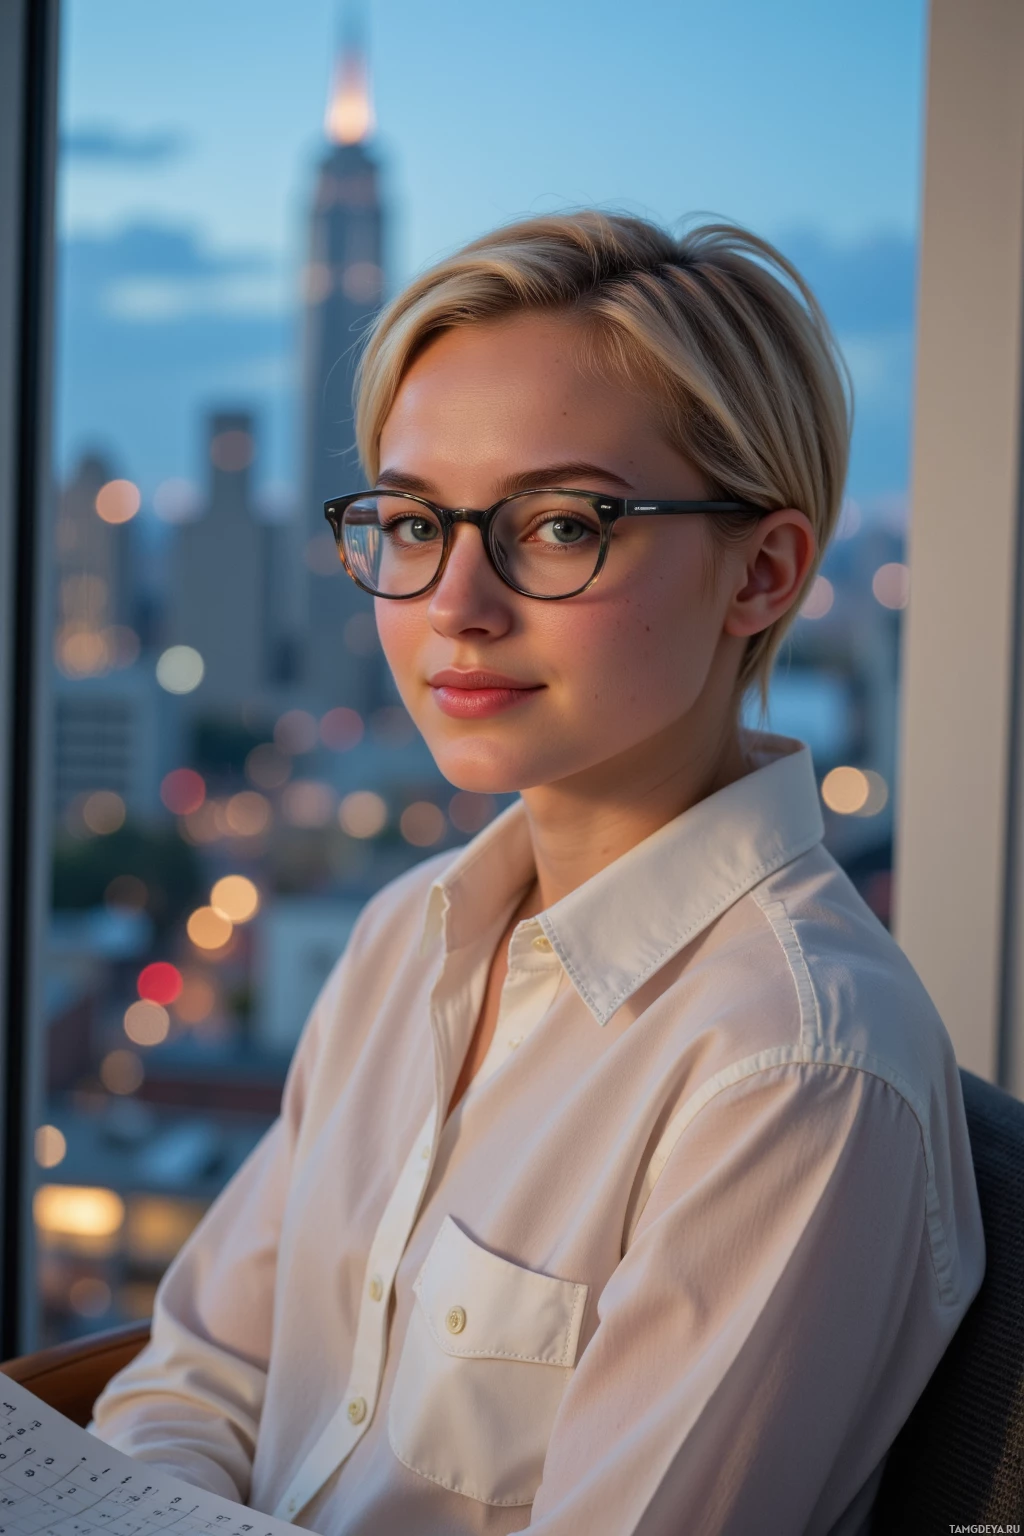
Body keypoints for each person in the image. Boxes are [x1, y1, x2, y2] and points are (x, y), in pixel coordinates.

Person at [90, 210, 985, 1536]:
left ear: (764, 571)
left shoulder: (792, 1072)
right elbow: (200, 1379)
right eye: (409, 521)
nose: (455, 602)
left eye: (560, 525)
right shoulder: (409, 933)